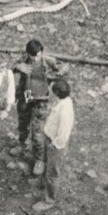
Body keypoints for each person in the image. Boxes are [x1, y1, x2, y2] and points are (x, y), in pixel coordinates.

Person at [11, 38, 68, 176]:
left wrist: (53, 76)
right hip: (25, 98)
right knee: (22, 124)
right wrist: (17, 67)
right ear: (28, 54)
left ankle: (39, 160)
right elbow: (10, 67)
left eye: (38, 54)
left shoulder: (47, 61)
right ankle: (22, 144)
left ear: (41, 52)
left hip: (40, 101)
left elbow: (64, 68)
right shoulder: (24, 58)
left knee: (37, 133)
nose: (36, 57)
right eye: (33, 55)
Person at [31, 78, 74, 215]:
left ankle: (49, 200)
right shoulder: (61, 102)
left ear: (55, 93)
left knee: (52, 173)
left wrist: (54, 145)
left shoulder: (65, 110)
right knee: (46, 164)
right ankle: (42, 184)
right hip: (49, 138)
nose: (48, 90)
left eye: (51, 89)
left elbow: (63, 134)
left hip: (55, 144)